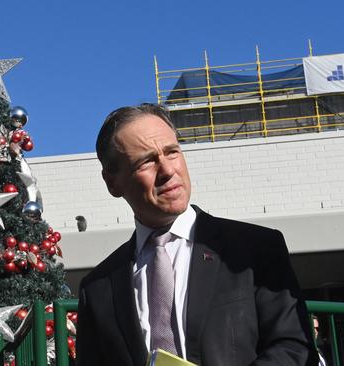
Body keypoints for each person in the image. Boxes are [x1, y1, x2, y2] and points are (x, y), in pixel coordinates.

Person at [76, 103, 317, 365]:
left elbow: (295, 349)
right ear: (113, 182)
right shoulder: (97, 289)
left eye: (172, 152)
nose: (168, 170)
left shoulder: (254, 250)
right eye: (146, 161)